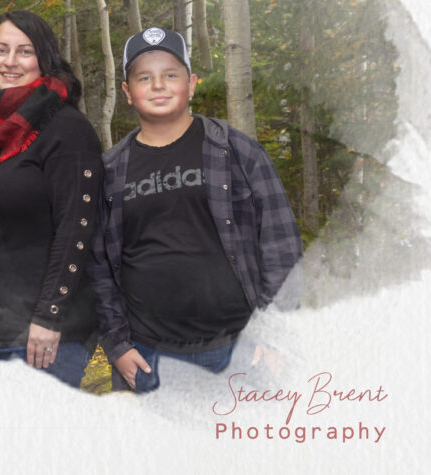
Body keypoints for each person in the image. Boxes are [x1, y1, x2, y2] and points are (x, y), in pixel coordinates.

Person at [89, 26, 303, 393]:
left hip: (240, 352)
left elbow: (281, 246)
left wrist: (277, 335)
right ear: (127, 92)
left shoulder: (237, 153)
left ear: (191, 83)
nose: (158, 85)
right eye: (144, 77)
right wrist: (117, 346)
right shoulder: (109, 171)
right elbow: (98, 268)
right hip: (148, 355)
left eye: (170, 75)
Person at [0, 10, 102, 389]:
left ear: (44, 59)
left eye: (25, 51)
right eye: (1, 49)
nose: (10, 62)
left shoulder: (66, 129)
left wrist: (49, 317)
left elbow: (79, 227)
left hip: (37, 340)